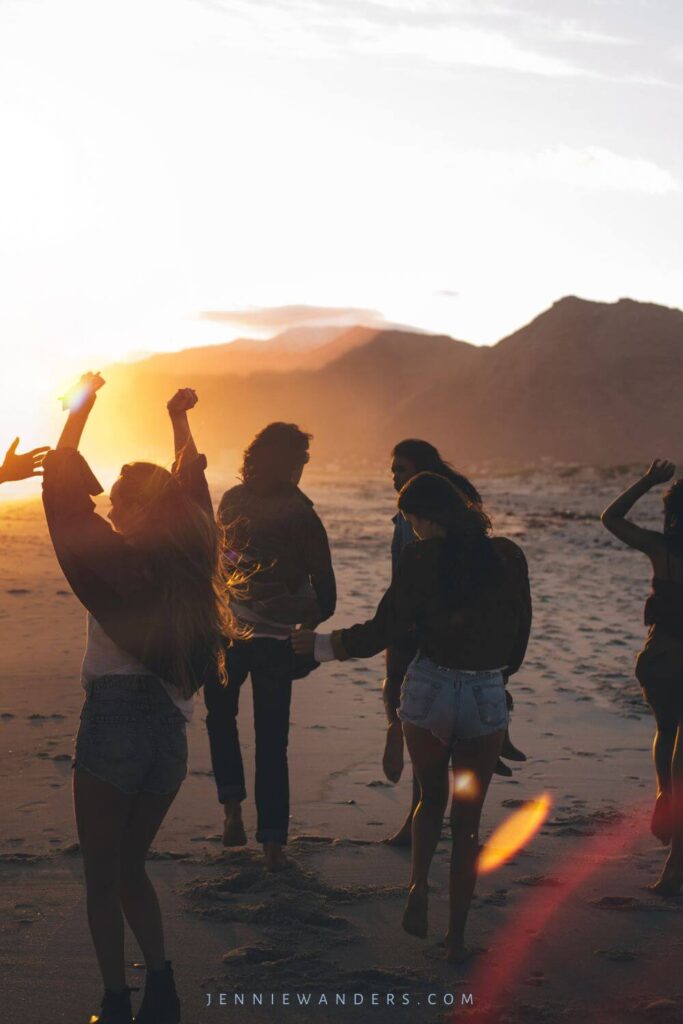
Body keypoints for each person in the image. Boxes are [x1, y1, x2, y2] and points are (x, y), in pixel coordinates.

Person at [42, 374, 236, 1024]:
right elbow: (192, 490)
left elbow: (65, 499)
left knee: (102, 876)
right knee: (132, 868)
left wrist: (80, 407)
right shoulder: (189, 562)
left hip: (115, 725)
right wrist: (177, 419)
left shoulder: (118, 565)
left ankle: (116, 1004)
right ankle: (162, 987)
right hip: (170, 741)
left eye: (120, 501)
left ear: (131, 511)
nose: (111, 510)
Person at [293, 472, 531, 962]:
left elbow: (386, 628)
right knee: (467, 822)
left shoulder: (419, 558)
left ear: (425, 518)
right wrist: (495, 677)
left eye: (410, 521)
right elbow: (519, 635)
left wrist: (322, 646)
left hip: (430, 696)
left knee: (429, 797)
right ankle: (457, 938)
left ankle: (418, 888)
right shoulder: (508, 556)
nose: (411, 529)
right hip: (484, 697)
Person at [204, 422, 336, 872]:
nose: (303, 468)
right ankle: (273, 844)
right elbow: (328, 588)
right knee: (271, 741)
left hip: (229, 633)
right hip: (276, 642)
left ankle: (232, 810)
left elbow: (222, 559)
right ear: (282, 460)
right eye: (299, 459)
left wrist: (245, 583)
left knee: (220, 717)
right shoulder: (302, 513)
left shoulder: (232, 500)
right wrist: (306, 619)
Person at [383, 439, 526, 847]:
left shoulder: (426, 511)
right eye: (393, 469)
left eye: (401, 468)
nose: (394, 476)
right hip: (448, 626)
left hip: (430, 624)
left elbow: (412, 569)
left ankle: (427, 822)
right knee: (446, 721)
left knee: (422, 719)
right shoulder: (449, 503)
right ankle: (449, 817)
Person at [602, 459, 683, 895]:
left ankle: (662, 793)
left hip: (660, 657)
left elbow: (610, 517)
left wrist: (649, 481)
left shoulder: (660, 549)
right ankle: (675, 865)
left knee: (666, 730)